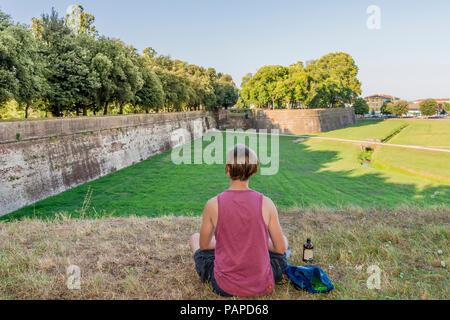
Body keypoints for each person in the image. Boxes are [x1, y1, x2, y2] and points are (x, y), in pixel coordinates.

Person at [189, 144, 289, 297]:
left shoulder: (212, 204)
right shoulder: (267, 203)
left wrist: (226, 242)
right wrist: (257, 242)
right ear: (254, 171)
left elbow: (203, 245)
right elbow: (281, 249)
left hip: (224, 285)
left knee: (194, 239)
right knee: (283, 241)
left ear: (227, 169)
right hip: (262, 283)